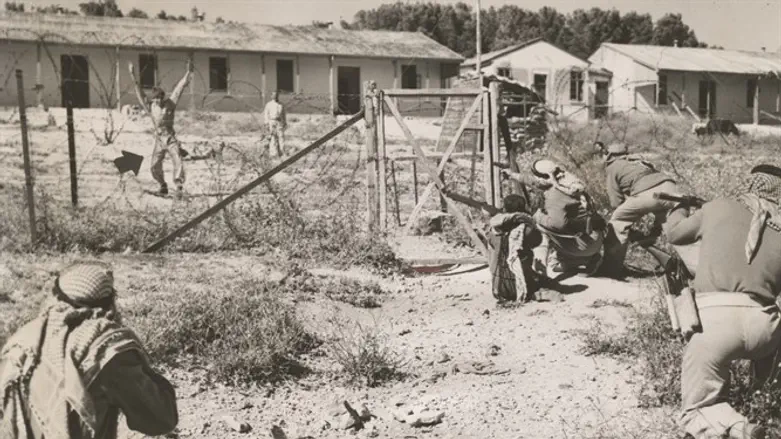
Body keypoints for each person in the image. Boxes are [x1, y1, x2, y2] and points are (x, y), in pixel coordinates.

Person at [665, 164, 781, 439]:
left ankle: (737, 426)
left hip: (715, 323)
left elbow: (674, 234)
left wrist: (680, 207)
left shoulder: (718, 207)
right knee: (767, 377)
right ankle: (764, 404)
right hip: (765, 325)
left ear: (750, 184)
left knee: (696, 408)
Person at [0, 261, 179, 439]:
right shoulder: (106, 350)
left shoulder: (23, 339)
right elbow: (161, 419)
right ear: (110, 304)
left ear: (55, 297)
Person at [502, 159, 605, 278]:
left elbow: (557, 224)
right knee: (555, 226)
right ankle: (579, 259)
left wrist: (537, 216)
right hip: (593, 237)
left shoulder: (555, 195)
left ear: (544, 177)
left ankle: (541, 275)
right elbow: (535, 182)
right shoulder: (565, 182)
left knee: (539, 228)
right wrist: (512, 175)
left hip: (585, 244)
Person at [600, 142, 684, 275]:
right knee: (677, 231)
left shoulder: (613, 166)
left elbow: (616, 203)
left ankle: (611, 269)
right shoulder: (638, 161)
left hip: (651, 194)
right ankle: (690, 268)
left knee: (617, 221)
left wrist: (630, 228)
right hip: (672, 189)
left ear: (610, 155)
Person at [129, 60, 193, 198]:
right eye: (156, 98)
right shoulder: (150, 107)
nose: (158, 100)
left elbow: (178, 89)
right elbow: (140, 93)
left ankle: (179, 186)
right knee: (154, 165)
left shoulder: (170, 104)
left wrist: (187, 74)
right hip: (159, 139)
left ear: (163, 97)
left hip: (170, 138)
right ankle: (162, 185)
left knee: (177, 159)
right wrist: (133, 76)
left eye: (160, 97)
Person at [487, 193, 544, 303]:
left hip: (498, 287)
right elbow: (538, 242)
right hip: (519, 286)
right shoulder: (526, 229)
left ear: (505, 209)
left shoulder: (493, 230)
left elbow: (492, 244)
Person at [263, 91, 287, 157]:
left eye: (276, 95)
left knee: (281, 137)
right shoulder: (269, 104)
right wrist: (266, 123)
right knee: (273, 137)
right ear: (271, 96)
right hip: (272, 121)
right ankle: (273, 154)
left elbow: (284, 114)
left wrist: (284, 122)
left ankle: (282, 153)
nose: (275, 96)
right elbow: (266, 114)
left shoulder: (281, 104)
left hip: (279, 122)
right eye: (274, 95)